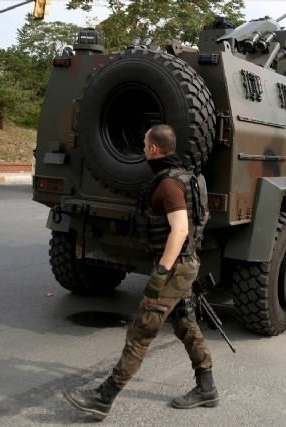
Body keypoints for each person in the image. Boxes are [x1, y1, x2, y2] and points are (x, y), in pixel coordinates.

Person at [63, 124, 217, 421]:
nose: (143, 147)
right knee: (185, 324)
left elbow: (181, 229)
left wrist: (162, 270)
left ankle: (104, 397)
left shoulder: (169, 184)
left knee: (142, 330)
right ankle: (206, 387)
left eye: (145, 142)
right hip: (185, 264)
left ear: (154, 149)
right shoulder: (189, 176)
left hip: (173, 267)